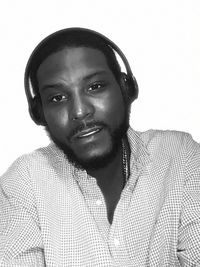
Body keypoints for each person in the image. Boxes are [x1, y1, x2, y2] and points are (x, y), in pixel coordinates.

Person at [0, 28, 200, 267]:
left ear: (125, 88)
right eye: (57, 98)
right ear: (40, 113)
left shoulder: (179, 155)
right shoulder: (23, 182)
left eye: (95, 86)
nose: (80, 111)